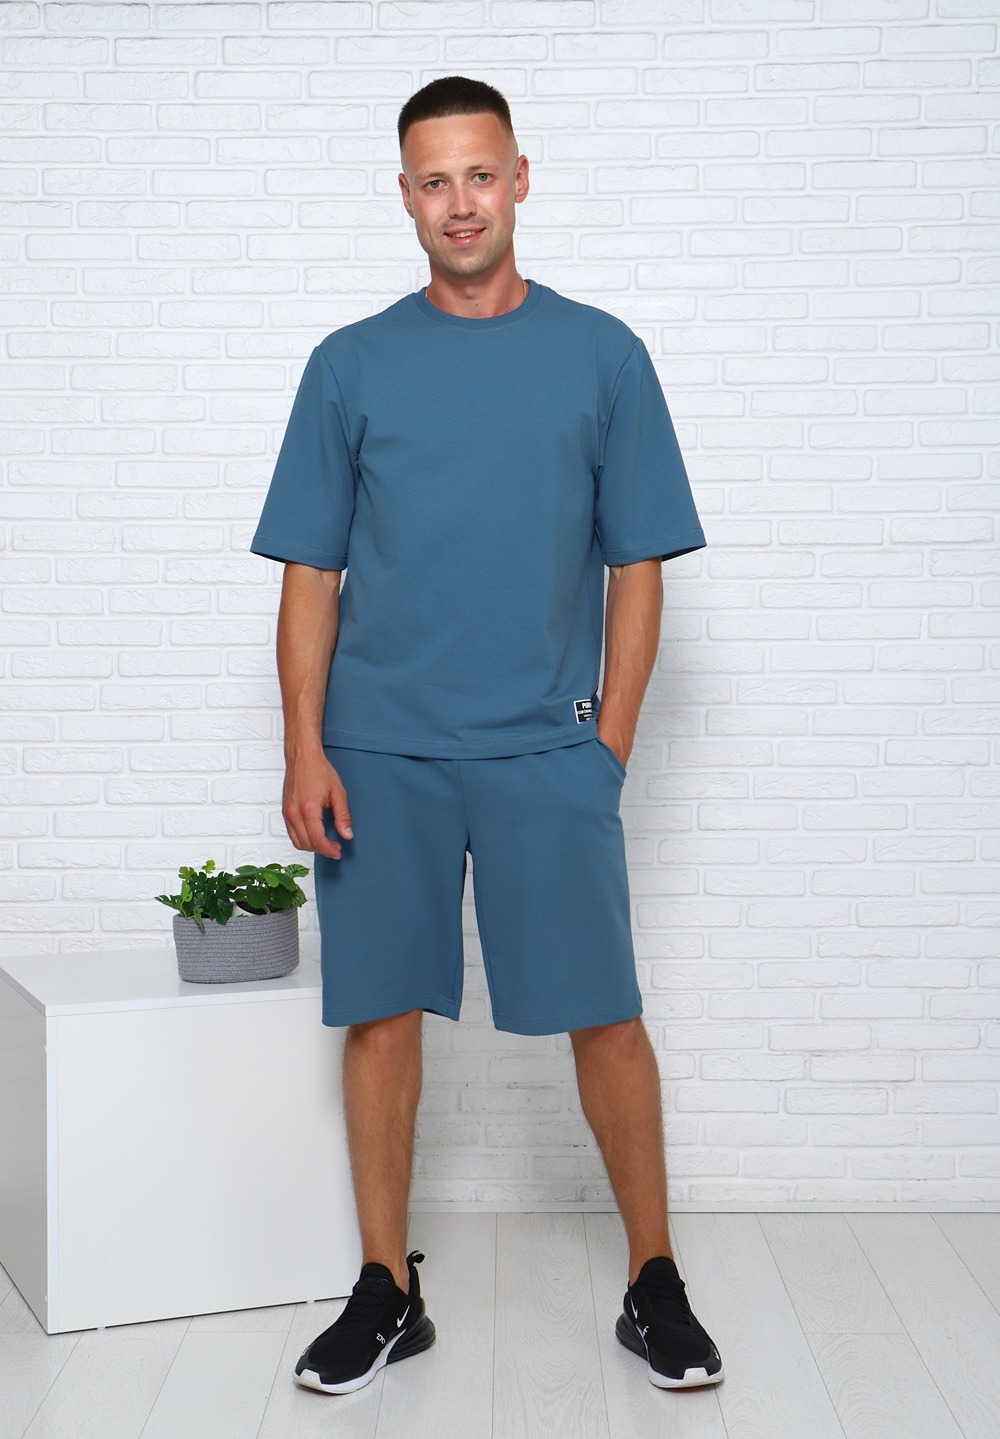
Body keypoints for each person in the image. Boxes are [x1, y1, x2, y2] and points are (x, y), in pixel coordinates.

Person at [250, 75, 723, 1398]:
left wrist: (607, 742)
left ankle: (655, 1282)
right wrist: (304, 745)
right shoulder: (349, 365)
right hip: (380, 752)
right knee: (381, 1019)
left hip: (545, 754)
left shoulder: (603, 355)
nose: (459, 202)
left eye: (479, 174)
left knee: (605, 1018)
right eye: (433, 180)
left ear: (520, 180)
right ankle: (386, 1290)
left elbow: (639, 564)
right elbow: (309, 574)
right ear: (404, 198)